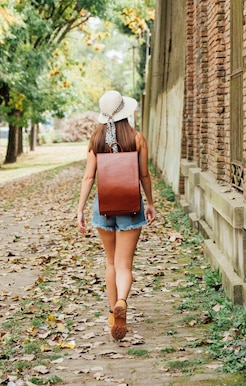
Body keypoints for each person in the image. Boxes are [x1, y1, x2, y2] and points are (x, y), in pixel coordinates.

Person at [76, 90, 156, 340]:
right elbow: (144, 175)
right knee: (124, 264)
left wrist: (79, 209)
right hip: (131, 206)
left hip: (103, 206)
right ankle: (122, 300)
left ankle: (113, 314)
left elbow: (89, 176)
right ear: (125, 112)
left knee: (110, 263)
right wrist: (150, 203)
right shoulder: (136, 138)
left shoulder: (96, 139)